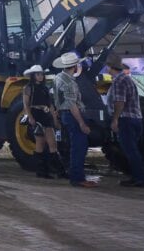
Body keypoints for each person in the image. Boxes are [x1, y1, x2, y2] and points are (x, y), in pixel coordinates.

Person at [52, 51, 97, 188]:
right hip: (73, 115)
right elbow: (72, 104)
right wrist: (82, 123)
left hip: (65, 115)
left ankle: (76, 176)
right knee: (79, 147)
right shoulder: (69, 82)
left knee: (75, 146)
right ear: (75, 67)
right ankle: (78, 178)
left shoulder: (58, 77)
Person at [107, 55, 144, 187]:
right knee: (133, 149)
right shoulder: (128, 79)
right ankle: (138, 176)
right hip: (136, 118)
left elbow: (120, 102)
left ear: (110, 67)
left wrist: (115, 119)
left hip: (126, 119)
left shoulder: (118, 81)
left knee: (130, 150)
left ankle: (139, 178)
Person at [22, 64, 66, 179]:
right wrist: (30, 117)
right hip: (36, 115)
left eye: (41, 74)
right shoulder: (28, 87)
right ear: (33, 76)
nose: (40, 76)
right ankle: (43, 171)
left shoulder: (45, 88)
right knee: (40, 144)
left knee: (52, 144)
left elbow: (50, 105)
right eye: (38, 74)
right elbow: (26, 104)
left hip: (45, 115)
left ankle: (59, 171)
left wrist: (55, 119)